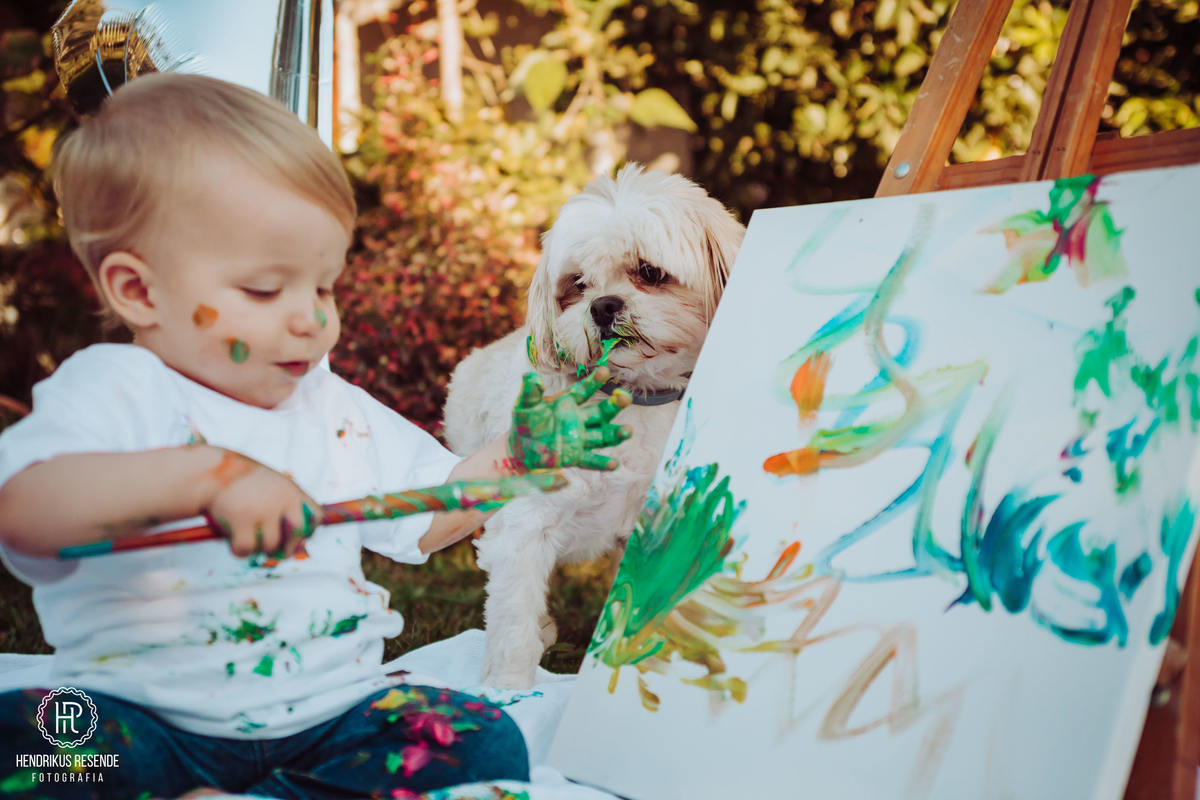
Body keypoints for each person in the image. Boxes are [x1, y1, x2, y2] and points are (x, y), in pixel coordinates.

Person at [0, 72, 631, 799]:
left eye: (324, 287)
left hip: (330, 718)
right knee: (31, 747)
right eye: (267, 290)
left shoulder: (330, 405)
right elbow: (25, 508)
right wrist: (209, 479)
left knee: (478, 740)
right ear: (139, 291)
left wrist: (519, 457)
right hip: (141, 721)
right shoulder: (116, 388)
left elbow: (428, 515)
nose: (311, 318)